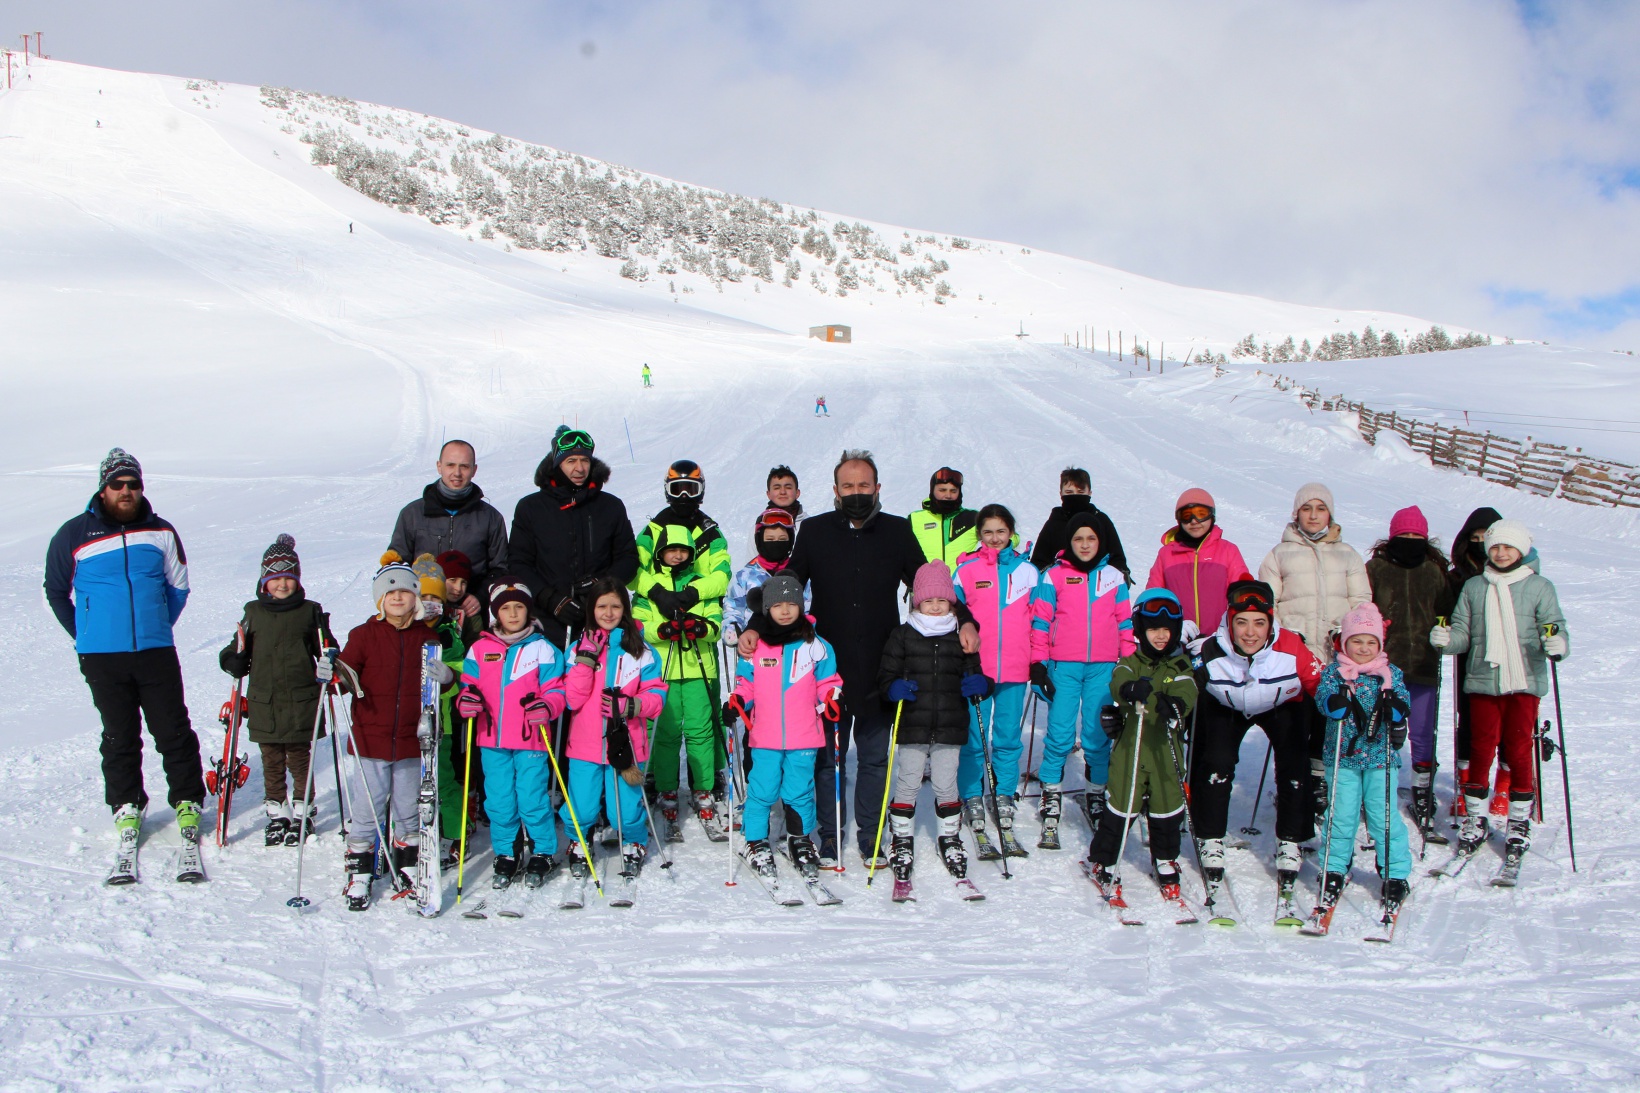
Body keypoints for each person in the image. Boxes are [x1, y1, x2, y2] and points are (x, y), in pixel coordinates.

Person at [735, 450, 980, 869]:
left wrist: (965, 620)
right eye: (847, 486)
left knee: (874, 759)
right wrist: (757, 624)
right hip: (826, 670)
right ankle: (830, 838)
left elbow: (928, 582)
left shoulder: (897, 531)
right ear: (835, 491)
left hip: (880, 668)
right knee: (828, 759)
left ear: (877, 488)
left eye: (863, 486)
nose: (856, 493)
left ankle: (870, 838)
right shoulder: (814, 531)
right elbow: (787, 584)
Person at [44, 448, 206, 859]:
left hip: (155, 649)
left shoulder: (162, 532)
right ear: (103, 489)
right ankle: (126, 803)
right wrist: (84, 634)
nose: (126, 491)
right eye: (118, 484)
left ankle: (187, 800)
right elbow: (55, 590)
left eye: (133, 484)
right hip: (101, 656)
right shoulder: (73, 534)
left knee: (172, 728)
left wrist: (156, 623)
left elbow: (178, 587)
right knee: (119, 734)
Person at [1432, 520, 1567, 869]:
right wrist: (1448, 641)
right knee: (1480, 747)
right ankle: (1475, 818)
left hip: (1524, 680)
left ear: (1521, 550)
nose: (1501, 553)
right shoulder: (1475, 587)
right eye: (1495, 547)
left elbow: (1553, 624)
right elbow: (1463, 630)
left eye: (1508, 547)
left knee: (1520, 747)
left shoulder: (1539, 586)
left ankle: (1519, 820)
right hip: (1482, 680)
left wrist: (1556, 643)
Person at [335, 554, 454, 911]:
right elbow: (346, 675)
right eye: (390, 593)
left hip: (409, 740)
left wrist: (448, 677)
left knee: (406, 806)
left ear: (416, 599)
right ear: (379, 600)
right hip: (370, 737)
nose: (398, 598)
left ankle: (405, 863)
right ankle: (360, 868)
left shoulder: (428, 637)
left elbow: (440, 687)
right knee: (368, 806)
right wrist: (334, 674)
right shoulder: (364, 635)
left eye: (405, 592)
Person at [1193, 579, 1323, 894]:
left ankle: (1292, 838)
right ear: (1230, 620)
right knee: (1217, 760)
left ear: (1271, 622)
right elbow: (1182, 684)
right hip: (1228, 705)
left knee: (1294, 761)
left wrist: (1336, 700)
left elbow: (1323, 684)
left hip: (1281, 705)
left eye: (1259, 623)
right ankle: (1210, 836)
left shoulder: (1292, 647)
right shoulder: (1208, 650)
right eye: (1242, 623)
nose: (1250, 633)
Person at [1257, 481, 1370, 819]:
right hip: (1296, 652)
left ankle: (1318, 780)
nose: (1313, 515)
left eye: (1320, 509)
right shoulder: (1280, 553)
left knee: (1326, 719)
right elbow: (1266, 603)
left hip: (1335, 655)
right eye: (1307, 508)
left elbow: (1362, 602)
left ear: (1330, 514)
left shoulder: (1347, 553)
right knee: (1294, 720)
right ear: (1297, 514)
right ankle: (1292, 780)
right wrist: (1284, 635)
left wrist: (1348, 633)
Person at [217, 534, 334, 847]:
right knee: (270, 759)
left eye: (289, 578)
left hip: (301, 698)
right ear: (264, 581)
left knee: (298, 759)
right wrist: (233, 660)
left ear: (297, 579)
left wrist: (329, 656)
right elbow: (235, 647)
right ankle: (276, 812)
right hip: (264, 700)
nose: (282, 585)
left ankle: (302, 811)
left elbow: (326, 647)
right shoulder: (253, 612)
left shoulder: (310, 612)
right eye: (275, 579)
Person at [1027, 510, 1134, 848]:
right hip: (1064, 666)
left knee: (1096, 734)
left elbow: (1125, 623)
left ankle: (1096, 793)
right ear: (1068, 543)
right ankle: (1051, 792)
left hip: (1103, 666)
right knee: (1059, 732)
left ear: (1100, 542)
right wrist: (1039, 663)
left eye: (1091, 538)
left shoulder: (1113, 577)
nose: (1084, 544)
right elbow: (1041, 621)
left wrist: (1129, 663)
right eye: (1078, 539)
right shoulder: (1054, 576)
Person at [878, 562, 989, 884]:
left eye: (942, 600)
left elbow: (975, 672)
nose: (936, 606)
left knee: (945, 783)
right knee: (908, 781)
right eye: (929, 601)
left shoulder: (961, 635)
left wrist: (981, 684)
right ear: (917, 602)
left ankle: (950, 837)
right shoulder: (902, 635)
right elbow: (885, 676)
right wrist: (892, 688)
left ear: (952, 602)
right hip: (912, 723)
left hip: (950, 724)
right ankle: (901, 838)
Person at [453, 577, 567, 889]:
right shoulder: (480, 648)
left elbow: (557, 689)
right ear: (496, 613)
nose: (513, 614)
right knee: (500, 800)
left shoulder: (543, 648)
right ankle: (507, 851)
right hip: (491, 739)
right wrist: (467, 701)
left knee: (531, 797)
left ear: (528, 611)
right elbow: (468, 686)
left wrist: (546, 705)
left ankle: (542, 849)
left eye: (519, 607)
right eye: (506, 608)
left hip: (531, 737)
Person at [729, 575, 843, 880]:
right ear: (767, 609)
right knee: (762, 790)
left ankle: (800, 838)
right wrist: (738, 701)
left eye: (791, 604)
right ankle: (755, 840)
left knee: (799, 791)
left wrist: (832, 698)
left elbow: (828, 682)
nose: (784, 610)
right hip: (764, 735)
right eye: (777, 605)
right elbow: (746, 683)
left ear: (801, 606)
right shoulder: (757, 645)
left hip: (804, 733)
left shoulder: (816, 645)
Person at [1088, 590, 1198, 899]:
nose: (1161, 636)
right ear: (1140, 630)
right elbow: (1117, 680)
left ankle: (1165, 858)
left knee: (1166, 810)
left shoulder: (1179, 667)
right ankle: (1105, 860)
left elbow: (1188, 690)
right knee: (1121, 808)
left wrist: (1175, 705)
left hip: (1166, 753)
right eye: (1153, 629)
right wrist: (1128, 690)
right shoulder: (1130, 662)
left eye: (1166, 630)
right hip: (1130, 752)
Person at [1311, 602, 1412, 925]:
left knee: (1383, 817)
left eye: (1371, 642)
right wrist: (1333, 702)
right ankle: (1335, 867)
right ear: (1344, 643)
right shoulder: (1335, 672)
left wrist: (1396, 708)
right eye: (1357, 641)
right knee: (1341, 815)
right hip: (1342, 758)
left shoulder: (1390, 674)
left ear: (1381, 645)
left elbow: (1404, 702)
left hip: (1381, 760)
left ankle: (1395, 872)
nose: (1364, 649)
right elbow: (1322, 697)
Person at [562, 580, 668, 880]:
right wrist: (585, 659)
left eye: (616, 606)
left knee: (624, 810)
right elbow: (572, 698)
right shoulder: (576, 648)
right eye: (602, 606)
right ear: (591, 609)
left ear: (625, 609)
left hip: (627, 744)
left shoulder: (641, 651)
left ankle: (634, 840)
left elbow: (657, 696)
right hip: (585, 745)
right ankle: (579, 840)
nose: (608, 613)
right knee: (581, 807)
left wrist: (631, 705)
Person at [1365, 505, 1455, 841]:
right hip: (1383, 664)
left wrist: (1445, 632)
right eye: (1404, 535)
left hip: (1423, 663)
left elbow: (1447, 610)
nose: (1410, 541)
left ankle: (1422, 787)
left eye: (1416, 536)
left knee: (1422, 729)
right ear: (1392, 536)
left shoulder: (1434, 572)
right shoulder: (1376, 568)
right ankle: (1375, 784)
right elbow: (1362, 608)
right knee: (1379, 725)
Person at [952, 504, 1037, 857]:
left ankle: (1003, 793)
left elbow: (1040, 619)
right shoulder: (967, 570)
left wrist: (1038, 661)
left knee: (1007, 737)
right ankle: (971, 794)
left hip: (1016, 668)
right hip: (978, 669)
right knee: (973, 737)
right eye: (988, 532)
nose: (995, 538)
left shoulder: (1028, 572)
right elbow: (954, 614)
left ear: (1011, 533)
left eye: (1001, 531)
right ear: (979, 535)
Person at [632, 522, 725, 837]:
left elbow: (715, 621)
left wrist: (702, 629)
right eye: (670, 549)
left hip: (698, 668)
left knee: (700, 729)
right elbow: (637, 622)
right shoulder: (651, 586)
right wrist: (659, 631)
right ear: (660, 552)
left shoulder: (700, 583)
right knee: (667, 733)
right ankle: (668, 787)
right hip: (664, 669)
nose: (676, 555)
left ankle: (703, 787)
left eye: (682, 549)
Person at [509, 427, 639, 649]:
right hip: (547, 619)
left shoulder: (610, 506)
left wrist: (600, 586)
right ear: (557, 463)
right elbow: (518, 563)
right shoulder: (531, 508)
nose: (579, 468)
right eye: (571, 461)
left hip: (601, 617)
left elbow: (628, 558)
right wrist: (551, 599)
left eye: (584, 460)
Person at [387, 440, 509, 619]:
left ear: (474, 470)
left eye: (464, 466)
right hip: (420, 614)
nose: (457, 473)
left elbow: (500, 568)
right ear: (439, 466)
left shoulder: (490, 518)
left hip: (468, 616)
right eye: (450, 465)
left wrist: (480, 597)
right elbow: (397, 564)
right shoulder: (412, 514)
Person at [1446, 505, 1505, 818]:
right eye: (1475, 537)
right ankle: (1467, 784)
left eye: (1487, 537)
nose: (1481, 543)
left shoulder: (1523, 575)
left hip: (1511, 660)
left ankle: (1507, 784)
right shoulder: (1459, 578)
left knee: (1511, 724)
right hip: (1471, 659)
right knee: (1469, 721)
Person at [1144, 487, 1252, 638]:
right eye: (1186, 515)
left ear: (1212, 516)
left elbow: (1244, 595)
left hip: (1220, 641)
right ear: (1179, 519)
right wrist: (1170, 629)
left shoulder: (1228, 551)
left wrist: (1227, 634)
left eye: (1201, 514)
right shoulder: (1166, 554)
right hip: (1177, 640)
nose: (1194, 521)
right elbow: (1153, 598)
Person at [1029, 467, 1131, 580]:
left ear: (1090, 493)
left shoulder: (1101, 521)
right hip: (1062, 588)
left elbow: (1117, 558)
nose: (1075, 497)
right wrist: (1053, 578)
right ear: (1061, 493)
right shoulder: (1054, 524)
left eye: (1080, 492)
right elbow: (1039, 562)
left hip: (1097, 586)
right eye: (1069, 492)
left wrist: (1120, 576)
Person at [724, 508, 807, 639]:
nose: (776, 543)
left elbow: (808, 607)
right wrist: (732, 632)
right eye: (770, 539)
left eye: (782, 539)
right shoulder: (745, 576)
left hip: (794, 645)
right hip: (755, 648)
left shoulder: (799, 573)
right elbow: (733, 609)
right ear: (759, 541)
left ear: (790, 542)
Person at [909, 466, 980, 568]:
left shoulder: (972, 518)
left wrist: (982, 558)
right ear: (932, 491)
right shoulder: (915, 519)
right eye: (942, 490)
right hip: (926, 583)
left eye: (953, 491)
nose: (948, 495)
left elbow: (1005, 538)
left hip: (961, 583)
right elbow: (897, 552)